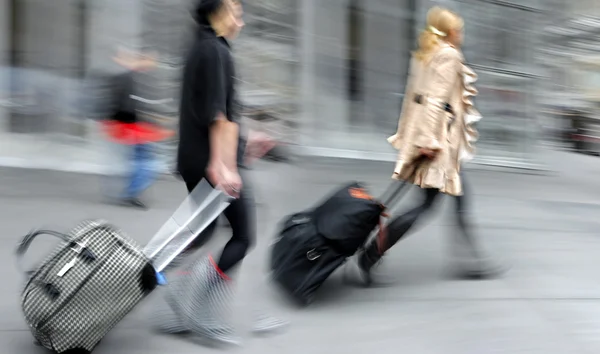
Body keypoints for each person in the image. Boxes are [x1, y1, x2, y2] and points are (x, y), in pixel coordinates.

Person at [153, 0, 285, 344]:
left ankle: (173, 299)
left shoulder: (202, 45)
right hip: (209, 161)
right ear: (219, 13)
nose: (241, 20)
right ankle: (202, 314)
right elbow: (217, 117)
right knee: (243, 236)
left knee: (203, 231)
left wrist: (246, 140)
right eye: (236, 12)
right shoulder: (215, 51)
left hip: (195, 158)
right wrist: (223, 166)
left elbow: (215, 113)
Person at [346, 6, 505, 286]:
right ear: (450, 31)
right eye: (459, 28)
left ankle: (471, 261)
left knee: (455, 203)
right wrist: (429, 142)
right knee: (428, 207)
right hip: (437, 146)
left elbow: (416, 99)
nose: (462, 34)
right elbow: (433, 101)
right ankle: (370, 255)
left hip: (431, 143)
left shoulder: (427, 54)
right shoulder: (449, 55)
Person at [101, 48, 173, 209]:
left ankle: (129, 191)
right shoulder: (132, 77)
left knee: (138, 161)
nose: (153, 63)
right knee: (145, 162)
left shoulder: (135, 76)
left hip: (137, 127)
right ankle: (130, 193)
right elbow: (132, 104)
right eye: (151, 59)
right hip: (136, 127)